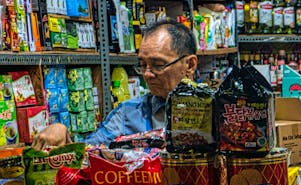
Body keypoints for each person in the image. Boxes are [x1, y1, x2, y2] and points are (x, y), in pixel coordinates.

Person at [31, 19, 198, 150]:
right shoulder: (128, 114)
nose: (147, 73)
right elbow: (87, 154)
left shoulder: (216, 111)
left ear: (190, 65)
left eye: (158, 65)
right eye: (142, 65)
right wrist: (61, 133)